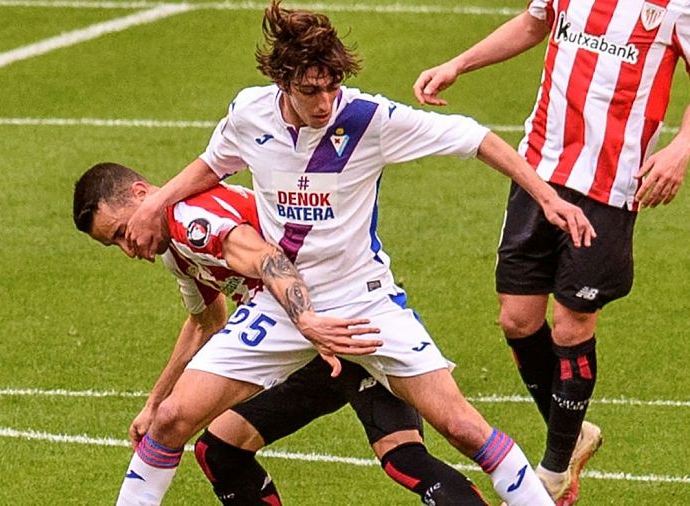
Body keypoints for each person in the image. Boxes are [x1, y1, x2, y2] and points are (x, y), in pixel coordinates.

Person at [122, 1, 597, 504]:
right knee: (174, 418)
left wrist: (547, 198)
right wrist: (158, 203)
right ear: (282, 81)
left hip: (364, 302)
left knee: (460, 426)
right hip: (281, 306)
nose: (325, 102)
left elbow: (476, 139)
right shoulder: (249, 113)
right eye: (310, 90)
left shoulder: (368, 119)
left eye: (332, 86)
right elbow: (212, 164)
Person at [73, 162, 490, 504]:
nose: (131, 249)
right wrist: (155, 403)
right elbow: (206, 319)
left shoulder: (196, 219)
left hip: (340, 326)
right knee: (220, 451)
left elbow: (267, 260)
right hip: (301, 349)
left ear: (142, 195)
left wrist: (307, 322)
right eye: (116, 246)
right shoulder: (177, 252)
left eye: (123, 232)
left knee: (405, 456)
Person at [413, 1, 690, 503]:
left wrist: (680, 148)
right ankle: (575, 432)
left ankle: (555, 468)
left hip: (609, 186)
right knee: (518, 320)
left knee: (571, 323)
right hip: (539, 170)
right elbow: (533, 23)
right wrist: (458, 64)